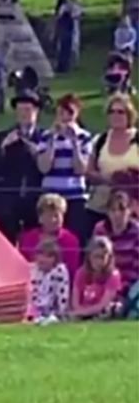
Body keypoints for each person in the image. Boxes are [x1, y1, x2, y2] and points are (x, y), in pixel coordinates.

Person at [36, 94, 94, 246]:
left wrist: (74, 143)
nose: (65, 117)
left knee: (76, 238)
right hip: (51, 194)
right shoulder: (46, 136)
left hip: (75, 196)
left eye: (70, 113)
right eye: (61, 112)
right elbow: (44, 167)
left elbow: (81, 169)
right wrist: (52, 142)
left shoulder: (84, 137)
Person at [0, 89, 47, 243]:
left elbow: (46, 167)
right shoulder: (4, 136)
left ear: (36, 112)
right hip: (9, 201)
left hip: (34, 198)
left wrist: (34, 149)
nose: (24, 114)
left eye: (28, 110)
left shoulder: (45, 137)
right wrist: (4, 147)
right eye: (20, 110)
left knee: (32, 243)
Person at [86, 95, 139, 231]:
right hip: (101, 207)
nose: (116, 115)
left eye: (120, 112)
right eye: (112, 111)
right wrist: (108, 179)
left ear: (129, 114)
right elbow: (89, 171)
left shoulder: (137, 138)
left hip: (134, 209)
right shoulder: (101, 140)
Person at [18, 193, 81, 275]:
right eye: (49, 216)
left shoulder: (71, 240)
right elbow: (22, 266)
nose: (53, 220)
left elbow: (72, 271)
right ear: (40, 218)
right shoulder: (28, 238)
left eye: (57, 216)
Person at [94, 190, 139, 295]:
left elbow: (137, 268)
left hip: (130, 286)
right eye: (113, 210)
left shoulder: (137, 231)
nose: (117, 214)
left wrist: (123, 289)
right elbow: (94, 260)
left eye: (122, 209)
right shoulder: (100, 229)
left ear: (129, 210)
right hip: (103, 283)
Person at [72, 236, 123, 319]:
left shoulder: (113, 275)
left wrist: (82, 313)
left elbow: (103, 304)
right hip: (82, 311)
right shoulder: (81, 272)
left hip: (102, 312)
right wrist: (79, 311)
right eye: (96, 257)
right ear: (89, 257)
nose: (99, 261)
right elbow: (75, 302)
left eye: (102, 257)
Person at [26, 237, 69, 324]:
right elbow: (29, 294)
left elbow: (63, 296)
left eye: (49, 256)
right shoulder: (31, 269)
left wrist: (60, 314)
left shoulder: (60, 271)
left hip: (52, 312)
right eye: (40, 254)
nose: (43, 259)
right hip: (33, 311)